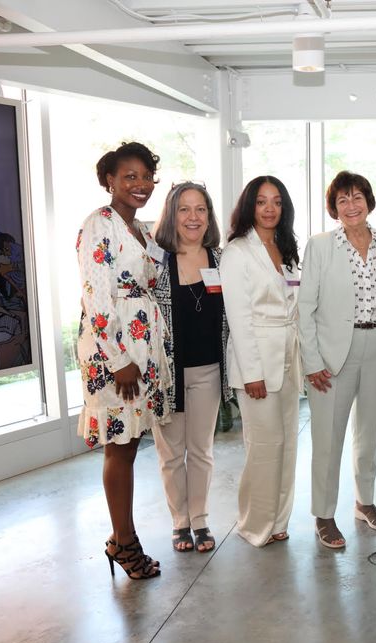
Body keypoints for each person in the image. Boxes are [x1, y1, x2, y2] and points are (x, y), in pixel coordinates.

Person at [76, 141, 169, 580]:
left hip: (139, 348)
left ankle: (122, 538)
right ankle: (123, 542)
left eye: (146, 176)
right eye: (129, 176)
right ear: (109, 180)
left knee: (129, 445)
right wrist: (117, 360)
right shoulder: (99, 225)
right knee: (120, 445)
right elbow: (96, 296)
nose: (140, 184)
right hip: (113, 351)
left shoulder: (141, 230)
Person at [299, 171, 376, 549]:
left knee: (370, 433)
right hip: (332, 355)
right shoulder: (322, 246)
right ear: (334, 207)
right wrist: (312, 361)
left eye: (357, 197)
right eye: (342, 199)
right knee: (328, 438)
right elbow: (305, 307)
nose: (351, 205)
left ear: (369, 201)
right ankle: (324, 515)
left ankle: (365, 502)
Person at [220, 176, 301, 548]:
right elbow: (238, 318)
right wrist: (251, 373)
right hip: (256, 364)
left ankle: (278, 520)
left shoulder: (286, 247)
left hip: (287, 357)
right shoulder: (238, 251)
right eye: (262, 201)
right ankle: (255, 523)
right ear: (249, 205)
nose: (270, 208)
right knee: (264, 446)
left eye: (277, 202)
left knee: (286, 444)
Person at [151, 182, 229, 554]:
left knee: (201, 450)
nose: (193, 217)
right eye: (184, 209)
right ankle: (179, 521)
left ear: (209, 216)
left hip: (209, 370)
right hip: (168, 375)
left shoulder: (221, 258)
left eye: (201, 209)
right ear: (172, 214)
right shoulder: (155, 261)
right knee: (170, 454)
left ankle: (199, 519)